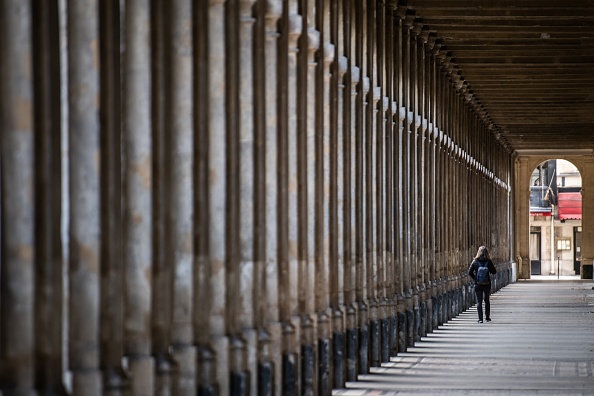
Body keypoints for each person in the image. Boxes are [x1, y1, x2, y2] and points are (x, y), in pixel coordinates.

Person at [468, 246, 497, 323]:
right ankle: (487, 317)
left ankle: (480, 319)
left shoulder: (475, 261)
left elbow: (469, 272)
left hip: (478, 284)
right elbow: (494, 271)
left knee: (479, 301)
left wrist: (475, 278)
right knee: (487, 300)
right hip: (487, 283)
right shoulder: (488, 261)